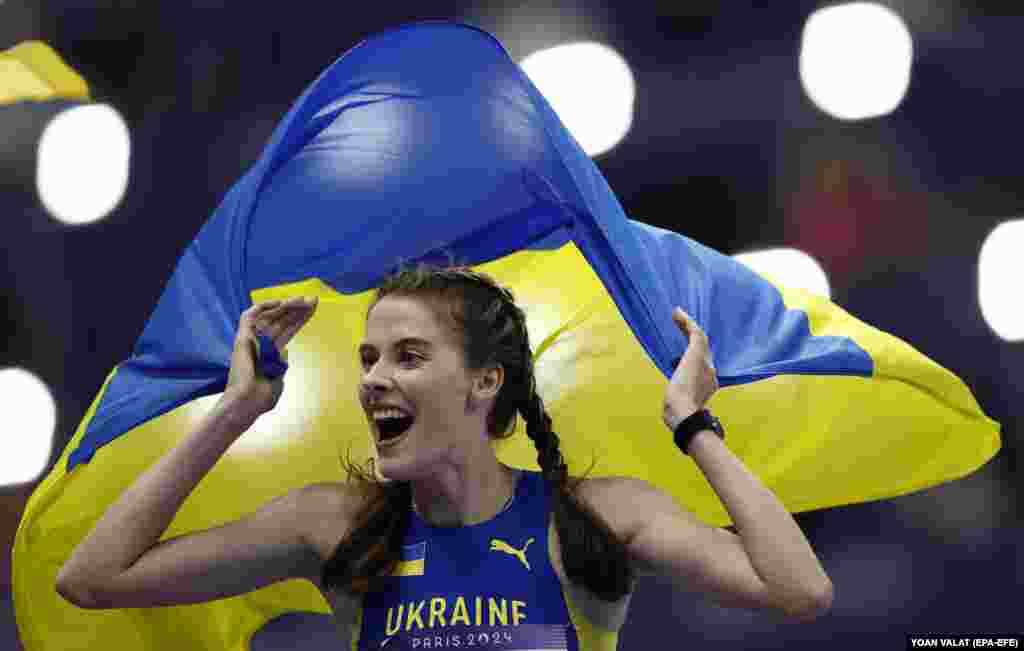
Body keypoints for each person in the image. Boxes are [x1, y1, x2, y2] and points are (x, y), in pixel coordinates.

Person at [57, 262, 833, 650]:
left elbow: (800, 590)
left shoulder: (592, 515)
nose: (373, 379)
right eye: (368, 358)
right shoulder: (335, 524)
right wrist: (234, 411)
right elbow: (92, 578)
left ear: (483, 382)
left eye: (408, 356)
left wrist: (693, 423)